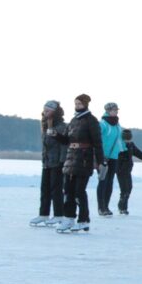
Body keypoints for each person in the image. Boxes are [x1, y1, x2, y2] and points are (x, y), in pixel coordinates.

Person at [54, 94, 104, 233]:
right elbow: (66, 140)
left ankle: (83, 220)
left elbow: (97, 143)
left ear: (86, 104)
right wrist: (56, 135)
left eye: (79, 104)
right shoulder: (73, 120)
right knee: (68, 190)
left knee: (79, 191)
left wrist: (100, 162)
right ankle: (69, 218)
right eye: (75, 104)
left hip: (84, 158)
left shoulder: (91, 120)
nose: (77, 106)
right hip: (71, 158)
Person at [29, 101, 68, 227]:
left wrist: (62, 162)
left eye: (48, 110)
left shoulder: (62, 126)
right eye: (44, 110)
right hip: (47, 162)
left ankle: (59, 215)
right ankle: (43, 214)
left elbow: (64, 144)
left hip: (57, 162)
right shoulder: (45, 125)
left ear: (55, 112)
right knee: (44, 188)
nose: (45, 112)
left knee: (56, 189)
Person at [116, 128, 142, 215]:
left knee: (129, 188)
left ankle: (122, 206)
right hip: (120, 170)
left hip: (128, 170)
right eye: (126, 139)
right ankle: (122, 208)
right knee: (124, 190)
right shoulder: (119, 145)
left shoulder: (131, 145)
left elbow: (139, 153)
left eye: (129, 139)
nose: (128, 141)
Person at [96, 102, 126, 216]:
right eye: (113, 110)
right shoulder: (102, 124)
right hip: (103, 157)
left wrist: (123, 150)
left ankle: (106, 206)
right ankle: (101, 207)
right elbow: (97, 140)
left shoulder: (118, 125)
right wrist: (99, 155)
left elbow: (121, 139)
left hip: (114, 157)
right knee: (103, 181)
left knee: (110, 182)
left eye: (116, 110)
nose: (116, 112)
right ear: (108, 111)